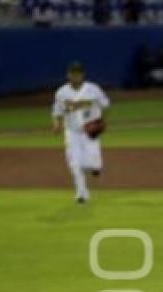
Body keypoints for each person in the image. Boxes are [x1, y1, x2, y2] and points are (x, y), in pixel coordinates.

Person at [51, 61, 109, 204]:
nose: (75, 76)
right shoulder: (61, 92)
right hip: (72, 132)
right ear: (68, 75)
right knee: (75, 163)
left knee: (91, 163)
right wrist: (57, 124)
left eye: (78, 73)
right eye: (72, 73)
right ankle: (81, 193)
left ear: (82, 75)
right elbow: (57, 111)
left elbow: (105, 104)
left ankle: (96, 167)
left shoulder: (93, 89)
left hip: (90, 131)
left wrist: (102, 121)